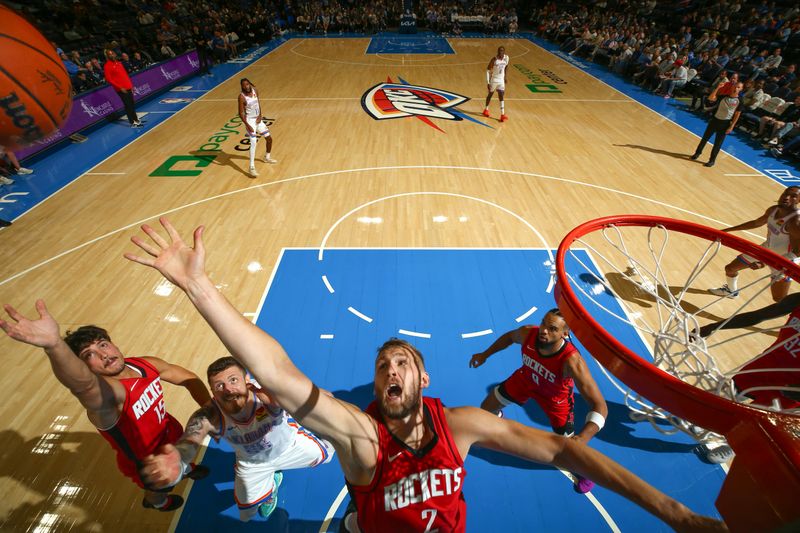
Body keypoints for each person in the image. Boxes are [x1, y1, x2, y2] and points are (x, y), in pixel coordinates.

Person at [127, 218, 725, 533]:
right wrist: (201, 289)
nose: (390, 368)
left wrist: (677, 515)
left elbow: (568, 452)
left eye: (402, 362)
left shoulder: (460, 425)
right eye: (382, 364)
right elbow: (277, 372)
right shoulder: (362, 436)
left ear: (423, 376)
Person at [0, 308, 211, 511]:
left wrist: (208, 408)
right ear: (83, 366)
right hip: (150, 463)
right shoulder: (109, 396)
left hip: (171, 435)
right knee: (162, 488)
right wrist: (54, 346)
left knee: (183, 459)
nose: (102, 354)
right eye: (88, 354)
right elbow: (84, 386)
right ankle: (156, 503)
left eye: (103, 344)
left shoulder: (144, 364)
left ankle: (186, 468)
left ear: (114, 344)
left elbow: (189, 379)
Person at [144, 356, 334, 521]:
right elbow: (191, 441)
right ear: (213, 393)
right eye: (219, 386)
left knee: (329, 453)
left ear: (247, 380)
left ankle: (279, 472)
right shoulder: (209, 415)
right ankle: (271, 486)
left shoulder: (268, 396)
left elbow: (309, 398)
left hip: (290, 446)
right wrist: (179, 458)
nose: (228, 389)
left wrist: (317, 399)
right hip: (252, 462)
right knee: (247, 511)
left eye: (233, 380)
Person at [468, 310, 608, 494]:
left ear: (565, 334)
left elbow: (600, 407)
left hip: (555, 400)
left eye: (552, 329)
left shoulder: (572, 362)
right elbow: (509, 338)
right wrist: (485, 354)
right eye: (543, 324)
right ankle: (498, 415)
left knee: (570, 449)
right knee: (486, 408)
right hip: (526, 380)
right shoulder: (528, 333)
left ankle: (584, 473)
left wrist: (583, 438)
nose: (543, 331)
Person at [698, 291, 800, 410]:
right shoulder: (797, 300)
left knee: (746, 424)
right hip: (765, 365)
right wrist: (714, 326)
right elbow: (756, 316)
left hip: (792, 386)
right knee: (716, 401)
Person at [708, 186, 800, 301]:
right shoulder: (773, 210)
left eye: (793, 196)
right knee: (730, 269)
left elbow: (798, 251)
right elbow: (756, 223)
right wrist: (726, 231)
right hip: (767, 249)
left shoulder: (795, 221)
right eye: (786, 193)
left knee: (779, 300)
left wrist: (764, 263)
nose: (787, 197)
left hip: (785, 260)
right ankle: (731, 291)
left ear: (798, 201)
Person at [690, 80, 744, 167]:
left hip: (725, 123)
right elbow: (711, 98)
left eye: (738, 87)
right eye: (735, 86)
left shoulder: (740, 101)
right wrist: (718, 88)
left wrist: (732, 126)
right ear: (732, 87)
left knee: (717, 144)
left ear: (741, 89)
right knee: (705, 138)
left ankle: (712, 160)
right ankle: (697, 153)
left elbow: (737, 114)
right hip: (715, 120)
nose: (736, 88)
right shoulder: (723, 97)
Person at [238, 78, 277, 178]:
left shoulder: (255, 91)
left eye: (247, 84)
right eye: (244, 85)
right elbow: (241, 113)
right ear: (242, 86)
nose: (246, 86)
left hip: (258, 119)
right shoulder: (241, 97)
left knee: (269, 138)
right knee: (254, 142)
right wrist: (247, 125)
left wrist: (260, 115)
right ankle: (251, 167)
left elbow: (258, 104)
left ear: (249, 84)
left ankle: (267, 157)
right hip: (250, 121)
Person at [103, 49, 142, 128]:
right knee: (128, 105)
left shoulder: (119, 63)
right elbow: (109, 79)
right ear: (107, 56)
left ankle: (136, 119)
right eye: (110, 54)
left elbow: (125, 75)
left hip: (128, 86)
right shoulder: (107, 66)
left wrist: (131, 86)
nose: (112, 55)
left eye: (113, 54)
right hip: (121, 89)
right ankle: (132, 122)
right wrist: (120, 87)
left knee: (132, 104)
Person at [482, 46, 509, 122]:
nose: (501, 52)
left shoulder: (506, 58)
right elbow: (488, 70)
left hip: (501, 80)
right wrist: (488, 82)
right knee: (490, 95)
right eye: (500, 51)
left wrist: (505, 77)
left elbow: (506, 66)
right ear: (497, 52)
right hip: (494, 80)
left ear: (504, 52)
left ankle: (502, 114)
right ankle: (486, 109)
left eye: (502, 51)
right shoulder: (494, 60)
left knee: (501, 95)